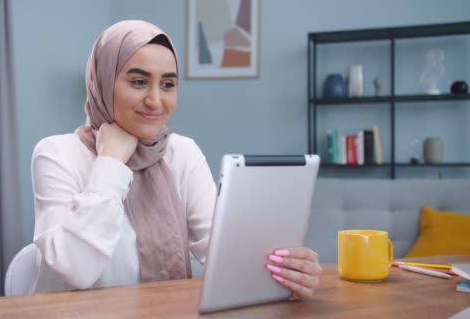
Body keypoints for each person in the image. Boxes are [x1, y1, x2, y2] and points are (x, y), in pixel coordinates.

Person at [30, 20, 322, 300]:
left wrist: (285, 275)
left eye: (168, 85)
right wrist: (111, 161)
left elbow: (222, 253)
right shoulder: (56, 153)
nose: (156, 101)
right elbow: (76, 270)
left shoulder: (182, 153)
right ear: (102, 81)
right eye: (139, 81)